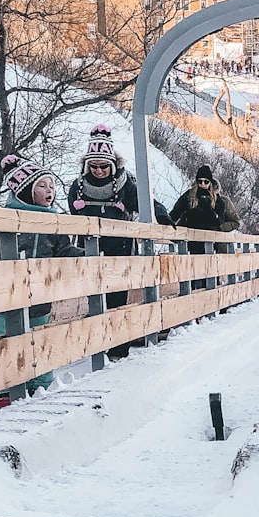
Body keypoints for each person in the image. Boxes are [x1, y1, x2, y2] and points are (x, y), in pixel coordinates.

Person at [0, 155, 82, 394]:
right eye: (43, 185)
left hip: (39, 298)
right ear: (26, 190)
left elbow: (63, 249)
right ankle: (6, 389)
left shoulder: (53, 221)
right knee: (6, 344)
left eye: (52, 186)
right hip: (4, 298)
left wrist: (81, 254)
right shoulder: (4, 219)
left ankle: (39, 387)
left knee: (39, 342)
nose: (50, 191)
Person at [67, 125, 172, 358]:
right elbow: (73, 218)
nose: (99, 171)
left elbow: (145, 202)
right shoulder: (78, 187)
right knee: (95, 298)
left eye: (104, 166)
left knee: (116, 300)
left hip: (119, 250)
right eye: (94, 166)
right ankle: (97, 345)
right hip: (91, 251)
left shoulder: (125, 185)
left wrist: (161, 215)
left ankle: (117, 348)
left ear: (112, 165)